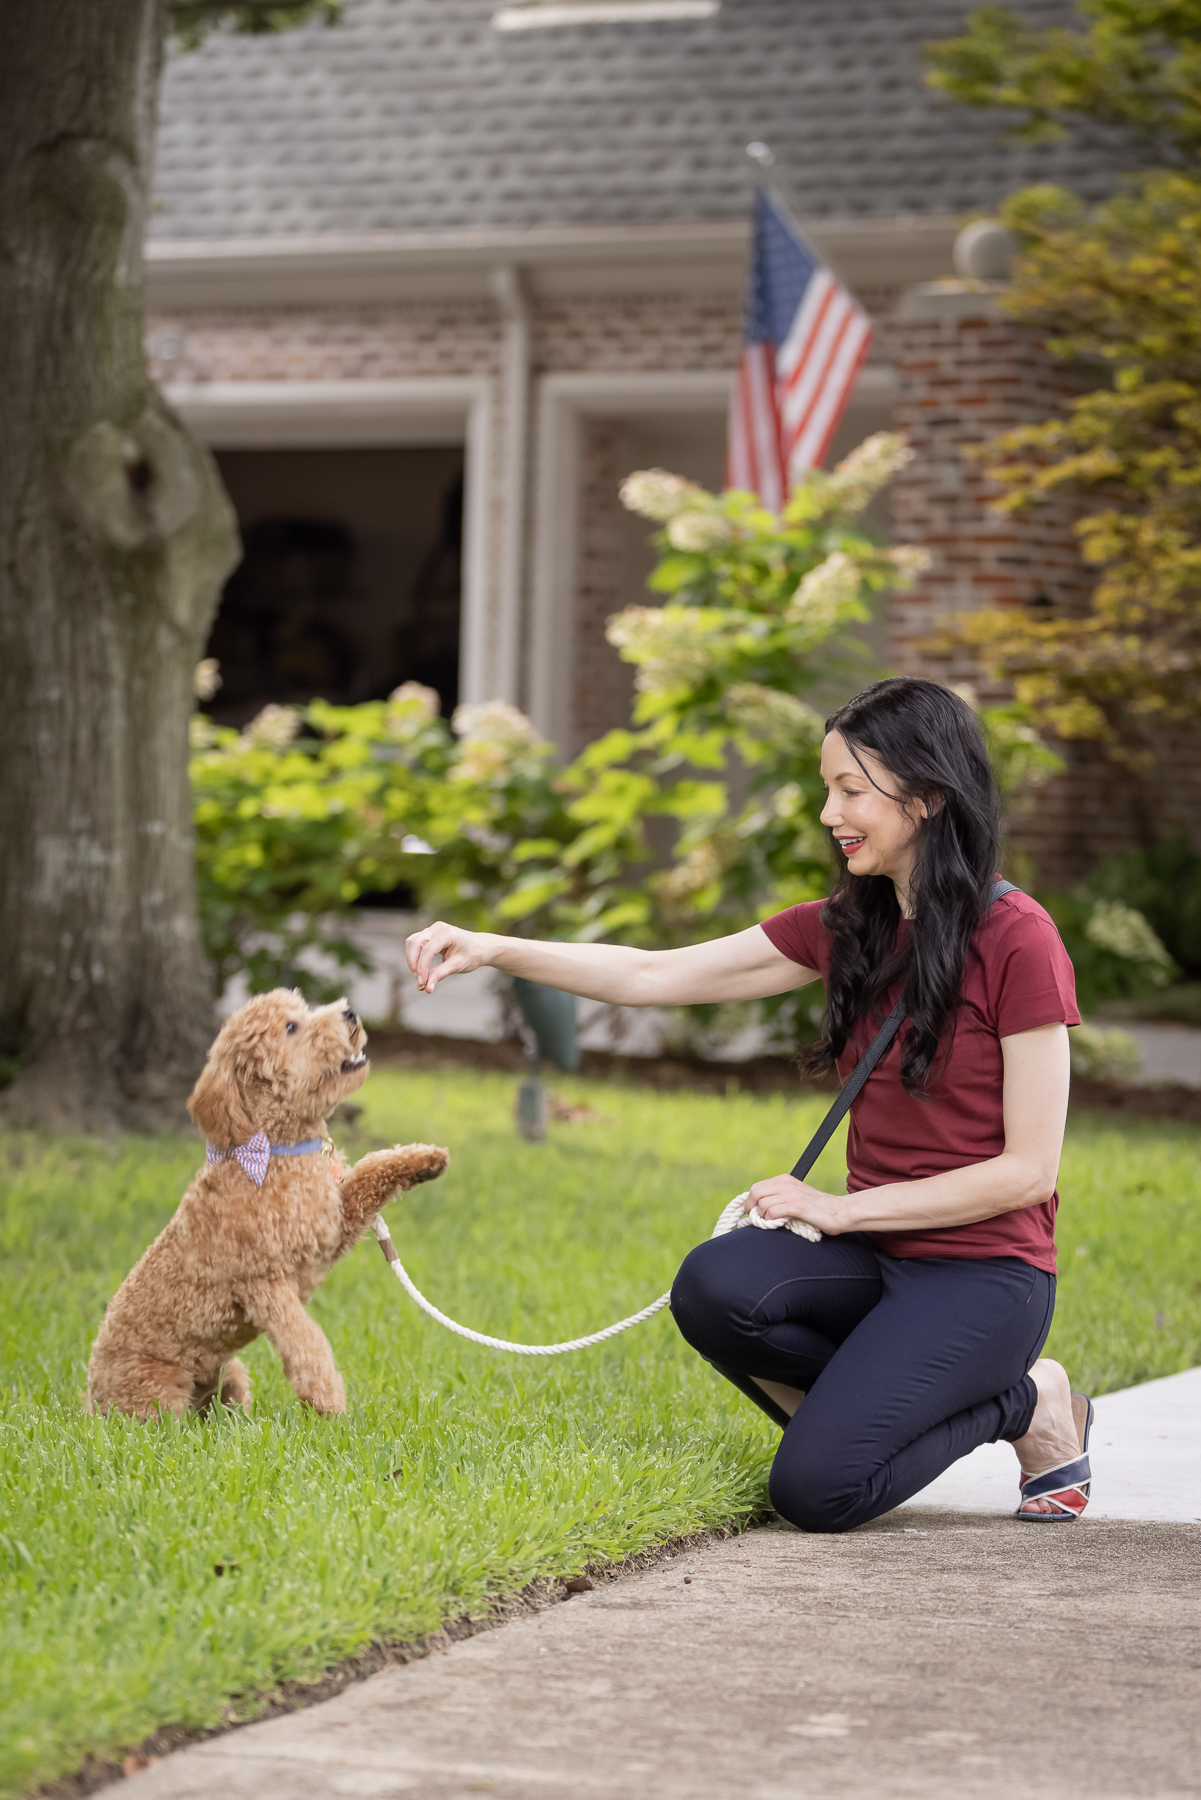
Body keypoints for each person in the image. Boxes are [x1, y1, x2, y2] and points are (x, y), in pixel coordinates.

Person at [404, 676, 1092, 1532]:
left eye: (849, 790)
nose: (826, 813)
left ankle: (1024, 1403)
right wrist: (491, 946)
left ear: (923, 797)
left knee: (816, 1492)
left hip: (984, 1275)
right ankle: (874, 1407)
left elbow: (1027, 1173)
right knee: (716, 1285)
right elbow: (655, 975)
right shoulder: (852, 924)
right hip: (880, 1259)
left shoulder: (1019, 940)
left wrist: (838, 1212)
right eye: (825, 789)